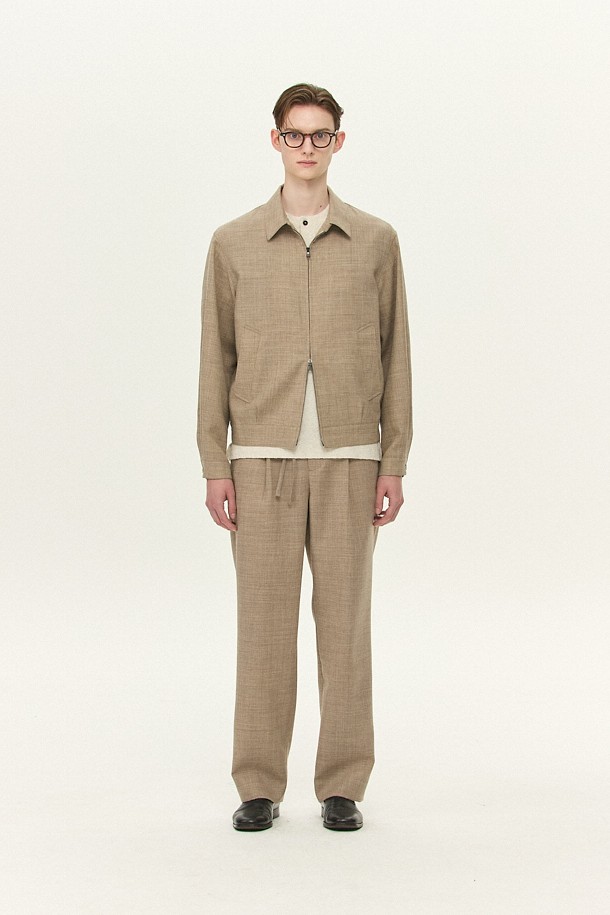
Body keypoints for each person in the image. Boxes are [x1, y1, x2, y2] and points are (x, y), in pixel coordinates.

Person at [197, 83, 413, 831]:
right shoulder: (233, 243)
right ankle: (258, 784)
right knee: (263, 628)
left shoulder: (376, 240)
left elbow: (396, 353)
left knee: (345, 628)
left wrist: (394, 458)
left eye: (322, 135)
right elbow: (214, 360)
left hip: (352, 459)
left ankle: (342, 784)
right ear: (276, 140)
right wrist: (215, 462)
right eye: (296, 134)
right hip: (260, 461)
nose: (308, 148)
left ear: (338, 143)